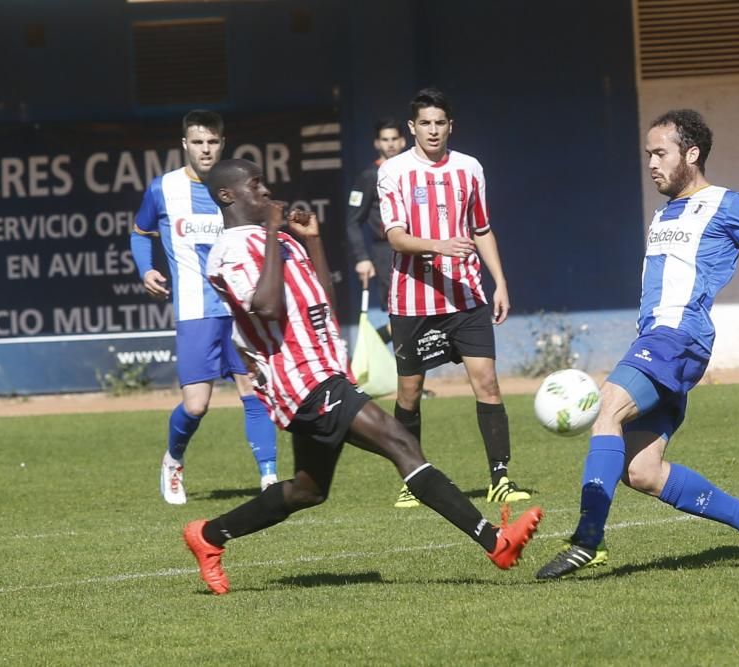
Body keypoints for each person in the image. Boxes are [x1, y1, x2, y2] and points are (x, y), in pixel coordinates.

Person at [181, 158, 543, 594]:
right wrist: (276, 233)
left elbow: (319, 301)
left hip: (325, 369)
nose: (265, 192)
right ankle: (495, 541)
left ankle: (208, 537)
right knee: (400, 441)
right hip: (300, 381)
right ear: (227, 196)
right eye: (255, 186)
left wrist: (311, 242)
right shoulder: (229, 252)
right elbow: (266, 306)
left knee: (307, 491)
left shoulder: (281, 243)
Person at [536, 109, 739, 580]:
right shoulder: (664, 214)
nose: (651, 164)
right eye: (647, 155)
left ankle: (588, 539)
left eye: (660, 153)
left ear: (692, 154)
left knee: (607, 409)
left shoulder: (728, 204)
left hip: (678, 338)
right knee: (642, 471)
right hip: (656, 341)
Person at [376, 88, 530, 509]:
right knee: (409, 393)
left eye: (439, 123)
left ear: (450, 126)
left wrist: (499, 281)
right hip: (413, 301)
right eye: (424, 123)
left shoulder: (470, 169)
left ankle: (500, 477)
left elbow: (481, 228)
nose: (432, 130)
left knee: (488, 383)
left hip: (466, 297)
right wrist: (439, 246)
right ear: (412, 128)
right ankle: (412, 478)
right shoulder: (394, 171)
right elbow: (394, 236)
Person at [130, 110, 278, 504]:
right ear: (185, 144)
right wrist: (146, 270)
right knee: (197, 405)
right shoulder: (163, 189)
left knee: (254, 391)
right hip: (196, 310)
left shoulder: (236, 188)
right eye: (198, 142)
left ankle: (269, 477)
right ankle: (173, 460)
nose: (205, 149)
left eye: (212, 142)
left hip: (240, 307)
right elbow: (141, 233)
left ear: (222, 144)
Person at [346, 118, 406, 338]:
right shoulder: (369, 176)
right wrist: (362, 258)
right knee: (399, 311)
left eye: (394, 139)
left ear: (402, 141)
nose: (390, 144)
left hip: (418, 248)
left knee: (421, 307)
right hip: (387, 252)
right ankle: (377, 346)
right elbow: (353, 220)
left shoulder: (413, 170)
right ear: (377, 143)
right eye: (385, 139)